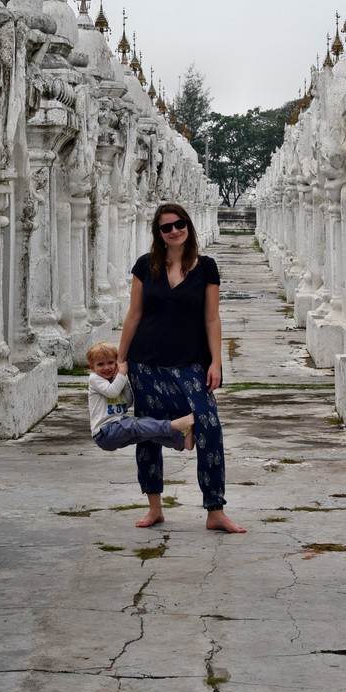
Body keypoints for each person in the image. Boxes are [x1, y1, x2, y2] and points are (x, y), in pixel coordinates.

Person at [118, 203, 247, 533]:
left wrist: (216, 361)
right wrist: (121, 360)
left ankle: (214, 509)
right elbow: (134, 315)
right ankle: (155, 507)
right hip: (146, 361)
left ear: (188, 226)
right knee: (148, 432)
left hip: (190, 362)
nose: (174, 230)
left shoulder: (205, 267)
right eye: (166, 227)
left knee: (209, 425)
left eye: (179, 224)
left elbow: (211, 318)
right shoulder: (146, 267)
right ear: (158, 234)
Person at [86, 341, 195, 452]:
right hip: (105, 432)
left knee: (149, 431)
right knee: (136, 425)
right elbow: (112, 392)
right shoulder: (94, 378)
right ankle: (173, 425)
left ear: (116, 363)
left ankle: (182, 441)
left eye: (110, 362)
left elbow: (128, 403)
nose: (106, 367)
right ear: (92, 367)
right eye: (100, 364)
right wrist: (122, 373)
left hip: (118, 427)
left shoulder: (115, 380)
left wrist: (123, 382)